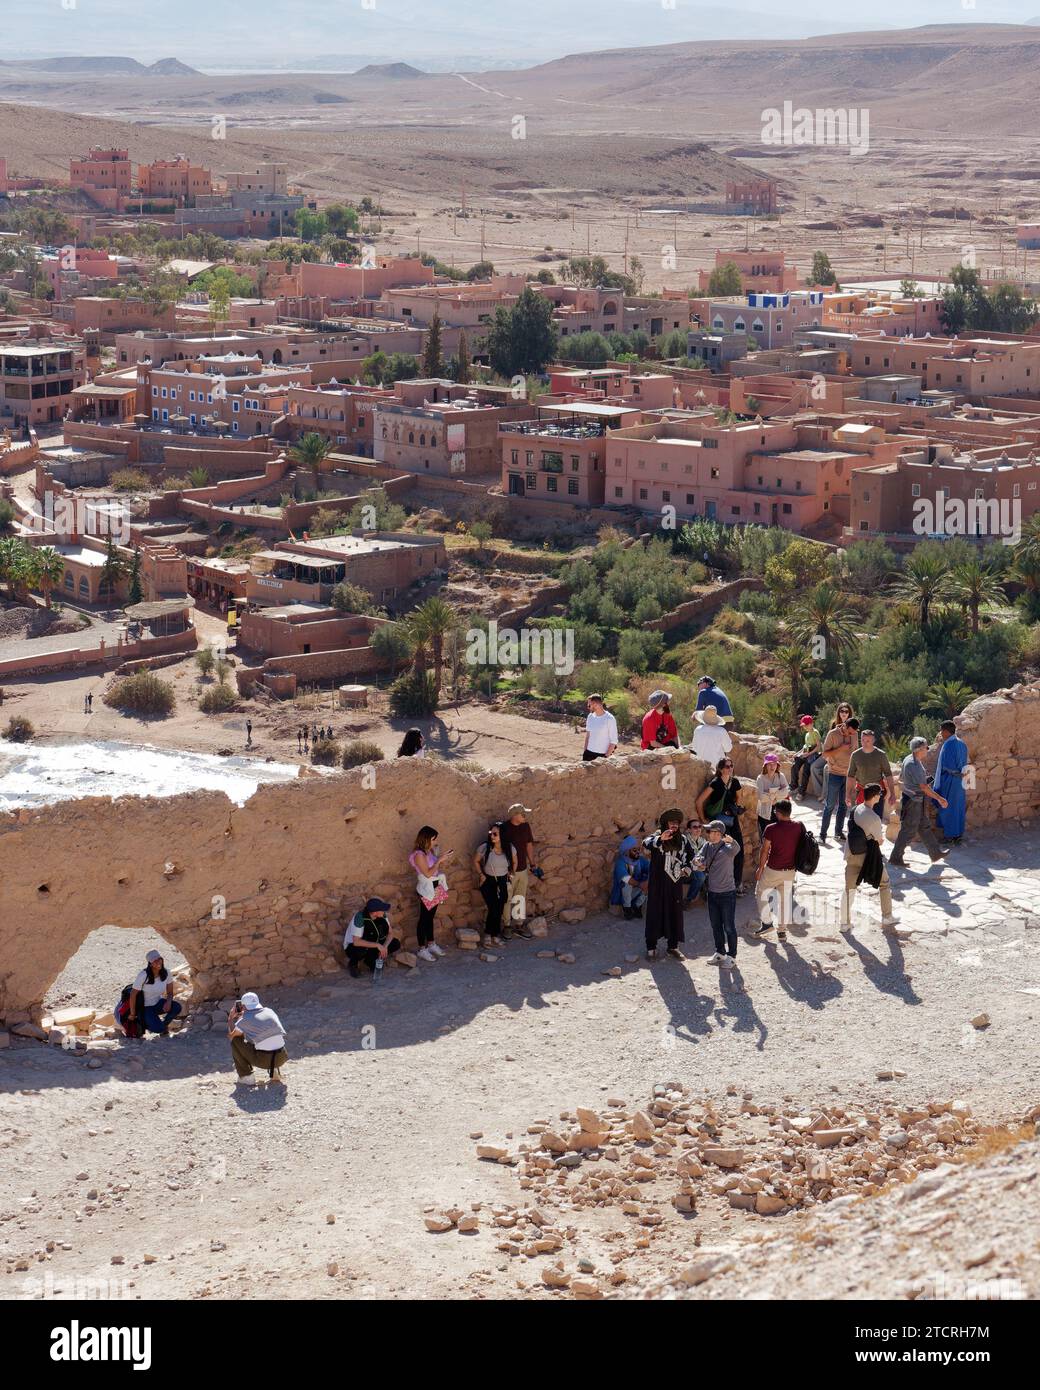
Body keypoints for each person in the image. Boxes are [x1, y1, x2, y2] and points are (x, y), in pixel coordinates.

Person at [841, 784, 898, 931]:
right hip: (867, 858)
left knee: (849, 889)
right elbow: (879, 841)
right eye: (879, 794)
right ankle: (887, 917)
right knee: (884, 883)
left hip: (851, 854)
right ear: (874, 797)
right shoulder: (874, 818)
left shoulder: (856, 809)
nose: (880, 796)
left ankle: (844, 924)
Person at [642, 809, 698, 960]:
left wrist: (687, 869)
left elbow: (692, 858)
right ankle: (651, 948)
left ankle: (672, 947)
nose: (674, 825)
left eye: (676, 822)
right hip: (658, 884)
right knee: (655, 912)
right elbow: (646, 844)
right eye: (671, 822)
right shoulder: (657, 836)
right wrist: (661, 839)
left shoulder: (684, 840)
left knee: (675, 913)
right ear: (665, 823)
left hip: (674, 884)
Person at [890, 737, 948, 869]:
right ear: (920, 749)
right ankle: (895, 857)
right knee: (908, 830)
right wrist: (940, 798)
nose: (927, 750)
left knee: (924, 827)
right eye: (926, 747)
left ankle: (935, 853)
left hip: (916, 799)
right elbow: (923, 787)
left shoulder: (910, 759)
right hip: (913, 801)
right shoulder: (913, 764)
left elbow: (904, 779)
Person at [753, 799, 802, 941]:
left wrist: (760, 868)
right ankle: (781, 932)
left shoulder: (771, 828)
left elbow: (764, 850)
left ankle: (767, 923)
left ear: (778, 813)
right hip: (790, 870)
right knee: (785, 900)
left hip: (773, 869)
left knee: (760, 892)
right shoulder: (798, 826)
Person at [695, 820, 740, 968]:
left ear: (719, 834)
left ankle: (732, 956)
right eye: (709, 831)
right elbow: (698, 858)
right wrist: (698, 862)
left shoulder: (728, 848)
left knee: (729, 926)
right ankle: (720, 952)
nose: (709, 834)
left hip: (727, 894)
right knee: (715, 925)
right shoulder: (707, 846)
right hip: (712, 893)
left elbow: (737, 848)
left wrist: (731, 840)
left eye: (712, 832)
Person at [695, 758, 746, 889]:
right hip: (719, 823)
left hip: (731, 820)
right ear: (721, 769)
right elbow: (699, 801)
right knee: (720, 853)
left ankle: (737, 884)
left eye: (731, 766)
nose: (730, 768)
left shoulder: (734, 782)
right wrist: (703, 819)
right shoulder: (716, 783)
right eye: (727, 766)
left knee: (739, 851)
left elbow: (739, 798)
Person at [409, 827, 454, 961]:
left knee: (430, 917)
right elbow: (427, 873)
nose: (436, 841)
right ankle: (422, 949)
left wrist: (439, 857)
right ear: (426, 839)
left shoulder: (427, 852)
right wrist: (439, 860)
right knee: (424, 918)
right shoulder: (419, 855)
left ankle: (431, 944)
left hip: (435, 885)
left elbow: (433, 870)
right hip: (426, 887)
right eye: (434, 839)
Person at [228, 991, 287, 1086]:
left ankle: (246, 1077)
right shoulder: (269, 1011)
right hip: (282, 1057)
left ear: (242, 1006)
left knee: (236, 1041)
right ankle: (275, 1073)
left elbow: (231, 1036)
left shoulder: (244, 1020)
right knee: (268, 1039)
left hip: (264, 1061)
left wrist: (231, 1018)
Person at [820, 702, 858, 845]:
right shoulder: (833, 734)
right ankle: (823, 834)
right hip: (834, 774)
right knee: (829, 805)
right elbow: (824, 754)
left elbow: (856, 753)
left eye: (855, 732)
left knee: (843, 805)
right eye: (851, 732)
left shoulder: (854, 734)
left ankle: (838, 832)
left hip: (848, 775)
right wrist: (841, 749)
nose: (853, 735)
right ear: (845, 726)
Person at [474, 823, 516, 949]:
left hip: (502, 880)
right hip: (488, 881)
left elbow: (515, 861)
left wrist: (511, 873)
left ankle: (495, 935)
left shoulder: (509, 848)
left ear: (502, 835)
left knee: (499, 908)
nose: (492, 836)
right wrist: (481, 874)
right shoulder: (485, 847)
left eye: (495, 834)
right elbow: (475, 861)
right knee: (493, 908)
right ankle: (488, 935)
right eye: (490, 833)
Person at [500, 803, 538, 938]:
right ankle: (507, 926)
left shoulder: (525, 826)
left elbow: (529, 845)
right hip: (508, 871)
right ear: (515, 815)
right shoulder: (503, 828)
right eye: (523, 814)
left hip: (522, 869)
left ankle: (518, 924)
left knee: (519, 898)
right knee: (506, 899)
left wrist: (532, 864)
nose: (525, 816)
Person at [128, 949, 182, 1037]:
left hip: (158, 1004)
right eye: (154, 961)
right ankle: (142, 1022)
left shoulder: (167, 973)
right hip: (145, 1007)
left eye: (159, 959)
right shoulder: (143, 975)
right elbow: (133, 995)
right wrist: (133, 1014)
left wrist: (168, 1002)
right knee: (158, 1029)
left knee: (177, 1007)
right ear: (150, 963)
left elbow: (170, 992)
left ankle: (164, 1025)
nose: (158, 962)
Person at [343, 898, 401, 978]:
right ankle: (353, 964)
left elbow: (390, 933)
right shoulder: (360, 918)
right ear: (375, 913)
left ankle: (370, 960)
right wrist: (377, 945)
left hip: (373, 942)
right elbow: (356, 942)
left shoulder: (382, 916)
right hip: (354, 946)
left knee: (395, 943)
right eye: (382, 910)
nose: (385, 912)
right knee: (361, 950)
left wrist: (384, 947)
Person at [846, 729, 895, 821]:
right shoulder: (855, 755)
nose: (865, 743)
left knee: (876, 820)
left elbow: (888, 774)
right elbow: (850, 775)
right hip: (861, 791)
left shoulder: (881, 755)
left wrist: (892, 793)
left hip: (877, 793)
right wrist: (847, 794)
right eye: (863, 740)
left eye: (868, 741)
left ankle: (875, 836)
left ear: (873, 741)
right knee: (861, 821)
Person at [934, 720, 969, 844]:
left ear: (945, 731)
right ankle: (958, 835)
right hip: (960, 782)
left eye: (941, 731)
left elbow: (947, 765)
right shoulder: (962, 743)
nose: (941, 734)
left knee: (947, 807)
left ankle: (949, 836)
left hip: (950, 780)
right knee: (958, 807)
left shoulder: (949, 744)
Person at [611, 835, 650, 919]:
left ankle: (637, 906)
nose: (637, 852)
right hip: (622, 894)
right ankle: (627, 908)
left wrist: (647, 882)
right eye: (634, 850)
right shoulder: (620, 862)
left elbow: (651, 869)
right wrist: (640, 885)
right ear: (626, 851)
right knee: (627, 884)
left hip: (636, 889)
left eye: (638, 849)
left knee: (649, 881)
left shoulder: (640, 860)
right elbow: (626, 878)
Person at [755, 753, 789, 838]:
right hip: (765, 812)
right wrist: (776, 795)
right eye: (769, 764)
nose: (772, 767)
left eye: (774, 764)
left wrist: (773, 794)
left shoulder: (781, 776)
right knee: (766, 836)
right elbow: (761, 797)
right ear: (765, 765)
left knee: (779, 836)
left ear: (777, 766)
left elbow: (786, 792)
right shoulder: (760, 778)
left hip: (779, 811)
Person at [790, 715, 821, 796]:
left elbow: (818, 746)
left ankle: (802, 792)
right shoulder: (807, 734)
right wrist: (797, 753)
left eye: (806, 725)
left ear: (811, 723)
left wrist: (809, 754)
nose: (805, 727)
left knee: (806, 770)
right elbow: (805, 746)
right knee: (794, 766)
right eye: (804, 726)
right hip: (806, 753)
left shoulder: (815, 732)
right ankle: (794, 786)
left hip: (813, 754)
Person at [583, 693, 618, 761]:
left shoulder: (610, 719)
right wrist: (585, 752)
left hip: (601, 756)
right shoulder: (590, 716)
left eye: (589, 704)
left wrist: (605, 757)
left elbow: (613, 741)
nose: (588, 706)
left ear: (595, 704)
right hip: (588, 754)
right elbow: (587, 736)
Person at [684, 819, 707, 903]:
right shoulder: (685, 841)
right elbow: (685, 859)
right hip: (686, 869)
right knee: (701, 876)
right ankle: (688, 900)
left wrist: (703, 865)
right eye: (695, 827)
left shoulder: (703, 841)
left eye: (699, 826)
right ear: (689, 830)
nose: (698, 829)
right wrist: (699, 866)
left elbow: (706, 856)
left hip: (700, 867)